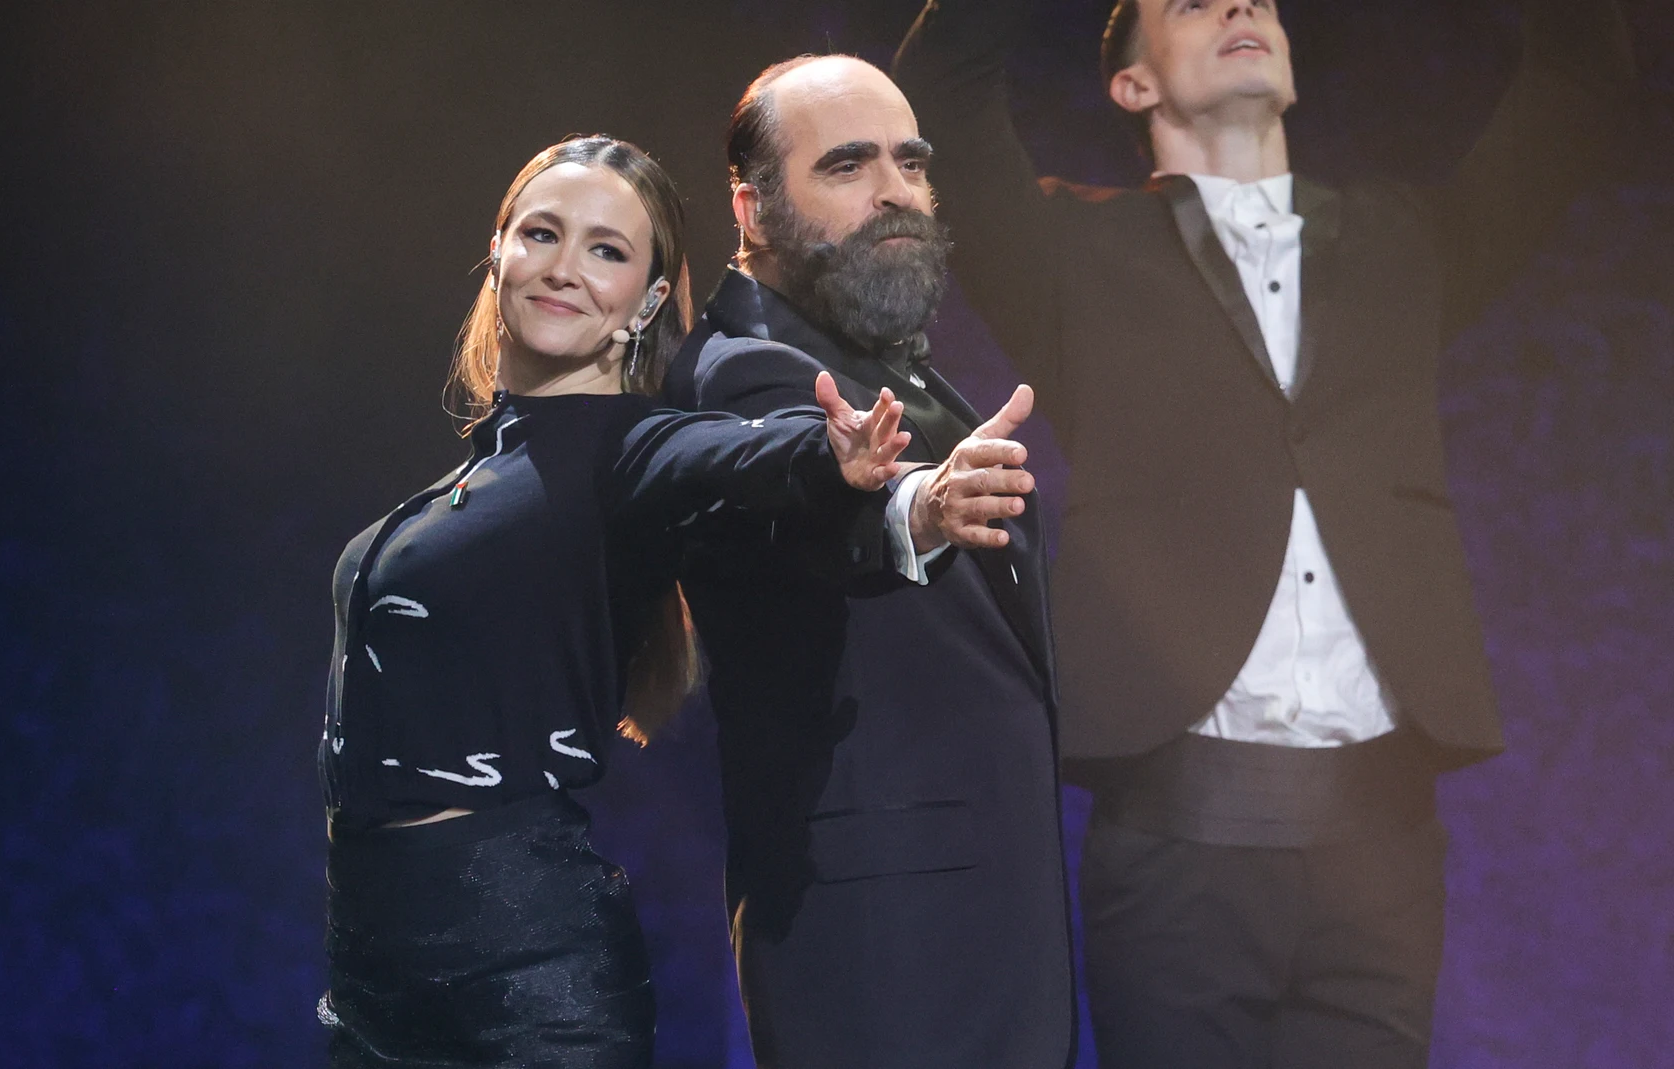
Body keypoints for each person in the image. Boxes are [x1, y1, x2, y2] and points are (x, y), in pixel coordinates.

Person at [894, 1, 1636, 1066]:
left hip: (1381, 839)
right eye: (1192, 1)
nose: (1243, 6)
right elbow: (948, 99)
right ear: (1131, 84)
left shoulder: (1405, 238)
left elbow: (1577, 88)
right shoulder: (1068, 248)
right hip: (1177, 836)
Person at [313, 135, 916, 1069]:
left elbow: (732, 451)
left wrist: (830, 456)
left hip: (523, 972)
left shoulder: (627, 447)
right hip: (370, 975)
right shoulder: (485, 467)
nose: (564, 269)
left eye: (607, 250)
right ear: (500, 251)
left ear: (646, 300)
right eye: (542, 234)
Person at [661, 56, 1076, 1068]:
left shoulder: (887, 358)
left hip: (979, 927)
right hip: (882, 948)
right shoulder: (738, 370)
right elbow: (804, 498)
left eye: (909, 161)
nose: (893, 189)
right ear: (750, 207)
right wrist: (915, 510)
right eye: (847, 165)